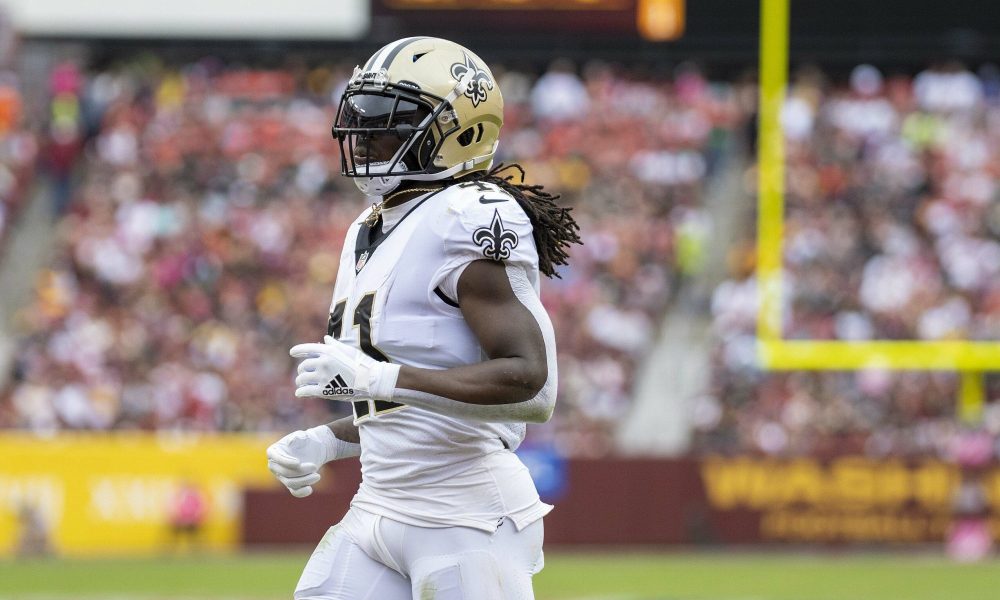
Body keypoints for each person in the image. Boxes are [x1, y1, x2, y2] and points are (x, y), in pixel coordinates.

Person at [266, 37, 581, 599]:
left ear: (460, 131)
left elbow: (534, 383)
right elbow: (410, 406)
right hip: (378, 505)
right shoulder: (369, 227)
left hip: (465, 516)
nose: (366, 134)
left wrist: (384, 378)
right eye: (363, 116)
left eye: (392, 120)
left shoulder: (468, 215)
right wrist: (329, 439)